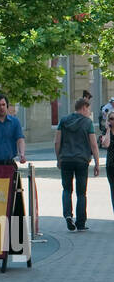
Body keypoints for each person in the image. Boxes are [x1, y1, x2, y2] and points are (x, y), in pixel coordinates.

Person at [54, 97, 99, 232]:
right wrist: (97, 163)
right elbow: (93, 144)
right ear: (84, 107)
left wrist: (58, 159)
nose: (89, 111)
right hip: (82, 160)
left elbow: (57, 142)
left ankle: (68, 215)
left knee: (67, 189)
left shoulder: (63, 121)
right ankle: (80, 222)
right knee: (81, 192)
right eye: (88, 108)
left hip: (66, 159)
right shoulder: (87, 123)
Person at [101, 109, 114, 214]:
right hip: (111, 165)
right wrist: (108, 130)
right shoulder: (106, 132)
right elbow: (105, 144)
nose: (113, 121)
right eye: (111, 119)